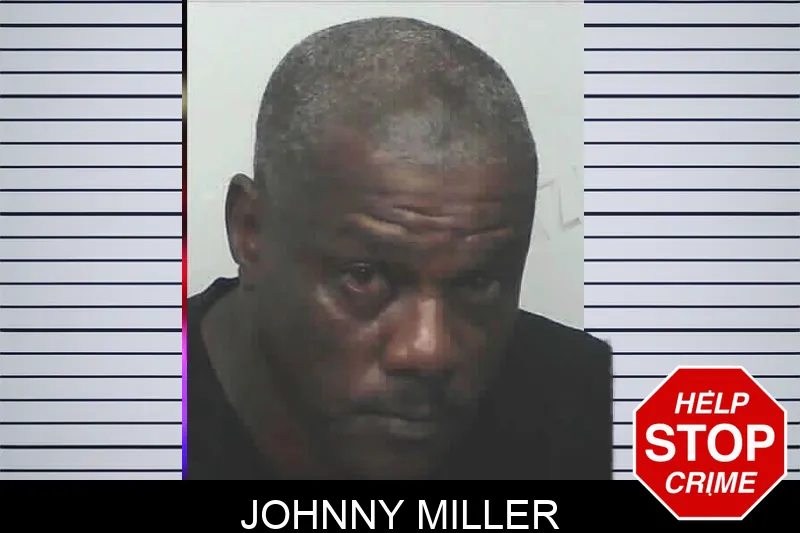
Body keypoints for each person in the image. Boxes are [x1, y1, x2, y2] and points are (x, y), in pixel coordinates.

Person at [187, 16, 612, 480]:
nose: (428, 350)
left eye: (477, 283)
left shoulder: (601, 415)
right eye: (364, 277)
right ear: (250, 232)